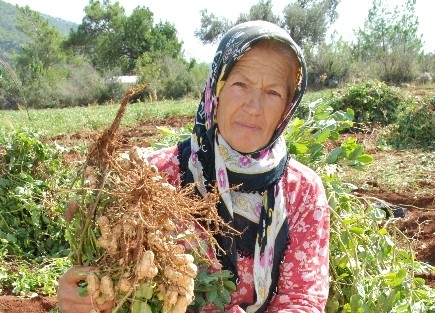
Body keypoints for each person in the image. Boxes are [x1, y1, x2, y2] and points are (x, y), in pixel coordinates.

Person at [58, 20, 330, 313]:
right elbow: (111, 279)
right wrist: (85, 299)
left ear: (287, 107)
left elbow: (303, 298)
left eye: (273, 93)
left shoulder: (301, 189)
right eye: (240, 84)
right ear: (216, 90)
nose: (254, 106)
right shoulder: (155, 175)